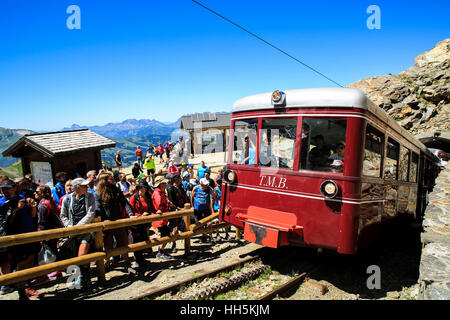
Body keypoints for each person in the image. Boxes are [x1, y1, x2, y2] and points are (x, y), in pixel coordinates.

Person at [0, 179, 40, 300]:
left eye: (7, 188)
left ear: (14, 188)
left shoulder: (22, 197)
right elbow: (6, 223)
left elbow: (32, 215)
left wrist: (32, 206)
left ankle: (25, 285)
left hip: (28, 232)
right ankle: (22, 290)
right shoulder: (2, 203)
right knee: (19, 263)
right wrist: (16, 209)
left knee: (30, 260)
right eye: (3, 188)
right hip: (14, 237)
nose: (5, 191)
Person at [95, 173, 136, 273]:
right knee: (107, 243)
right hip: (107, 223)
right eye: (110, 179)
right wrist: (103, 220)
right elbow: (98, 208)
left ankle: (127, 262)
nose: (113, 180)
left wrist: (130, 214)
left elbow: (124, 202)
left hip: (118, 220)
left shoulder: (115, 189)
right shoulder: (98, 193)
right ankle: (107, 261)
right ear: (104, 180)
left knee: (123, 241)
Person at [60, 178, 97, 290]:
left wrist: (78, 228)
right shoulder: (67, 199)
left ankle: (84, 277)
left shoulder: (90, 197)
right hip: (73, 232)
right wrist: (70, 228)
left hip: (86, 231)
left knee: (82, 253)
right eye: (84, 186)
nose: (87, 187)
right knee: (76, 254)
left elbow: (91, 213)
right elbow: (63, 215)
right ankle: (83, 277)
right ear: (77, 187)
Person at [35, 185, 64, 281]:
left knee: (48, 251)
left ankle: (50, 271)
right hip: (53, 230)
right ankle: (56, 270)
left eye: (37, 192)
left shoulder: (42, 205)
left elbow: (42, 222)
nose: (35, 193)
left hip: (47, 232)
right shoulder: (51, 201)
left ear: (42, 194)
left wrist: (41, 236)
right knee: (53, 250)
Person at [129, 182, 154, 267]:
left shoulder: (147, 197)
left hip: (144, 222)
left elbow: (150, 207)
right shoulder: (134, 198)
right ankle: (138, 259)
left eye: (144, 188)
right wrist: (140, 215)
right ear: (138, 188)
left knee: (143, 239)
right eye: (141, 188)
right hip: (136, 223)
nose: (143, 190)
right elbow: (130, 211)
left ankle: (141, 259)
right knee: (137, 240)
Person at [151, 176, 173, 260]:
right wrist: (166, 205)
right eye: (164, 183)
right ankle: (160, 251)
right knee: (165, 235)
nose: (166, 185)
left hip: (162, 219)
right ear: (160, 184)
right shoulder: (157, 194)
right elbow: (158, 207)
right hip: (159, 220)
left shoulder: (161, 193)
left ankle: (161, 251)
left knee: (165, 234)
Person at [166, 174, 188, 253]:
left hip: (183, 209)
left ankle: (186, 246)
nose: (181, 180)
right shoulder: (170, 189)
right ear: (176, 180)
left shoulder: (180, 188)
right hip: (174, 210)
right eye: (179, 178)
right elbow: (171, 202)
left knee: (184, 226)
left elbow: (185, 197)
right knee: (174, 228)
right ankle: (173, 244)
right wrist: (178, 208)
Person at [190, 177, 214, 243]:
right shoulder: (196, 188)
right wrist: (192, 206)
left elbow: (214, 196)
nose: (206, 185)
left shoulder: (209, 188)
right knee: (200, 224)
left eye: (206, 184)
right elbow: (192, 196)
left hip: (206, 208)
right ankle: (203, 236)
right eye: (205, 184)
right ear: (201, 184)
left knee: (209, 223)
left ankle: (211, 237)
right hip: (198, 209)